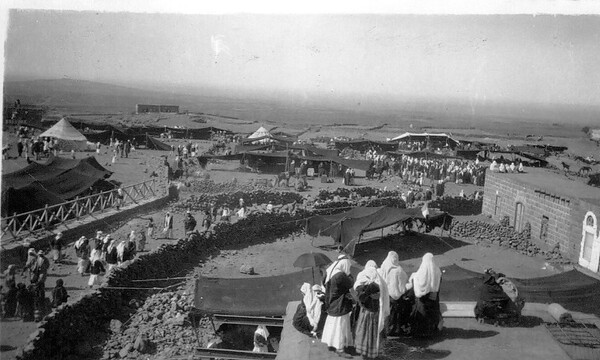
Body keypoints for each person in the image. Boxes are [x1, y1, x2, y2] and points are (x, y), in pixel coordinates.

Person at [354, 260, 390, 360]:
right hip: (376, 312)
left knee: (364, 331)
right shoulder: (380, 280)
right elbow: (384, 297)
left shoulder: (362, 277)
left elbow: (358, 294)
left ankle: (364, 351)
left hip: (365, 312)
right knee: (374, 332)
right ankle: (373, 352)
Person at [321, 257, 354, 357]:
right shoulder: (340, 275)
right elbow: (350, 283)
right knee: (341, 326)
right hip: (340, 304)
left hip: (331, 301)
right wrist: (349, 275)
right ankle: (340, 348)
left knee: (333, 324)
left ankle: (331, 342)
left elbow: (324, 284)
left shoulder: (329, 271)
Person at [405, 253, 443, 337]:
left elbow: (418, 282)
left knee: (422, 314)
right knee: (432, 314)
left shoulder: (422, 270)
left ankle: (420, 332)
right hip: (433, 297)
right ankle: (431, 330)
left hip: (423, 298)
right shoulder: (437, 270)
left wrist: (414, 277)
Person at [378, 251, 410, 336]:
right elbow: (403, 284)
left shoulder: (384, 266)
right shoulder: (399, 270)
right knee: (396, 314)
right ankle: (395, 330)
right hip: (396, 297)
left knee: (386, 314)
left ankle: (386, 330)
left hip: (386, 295)